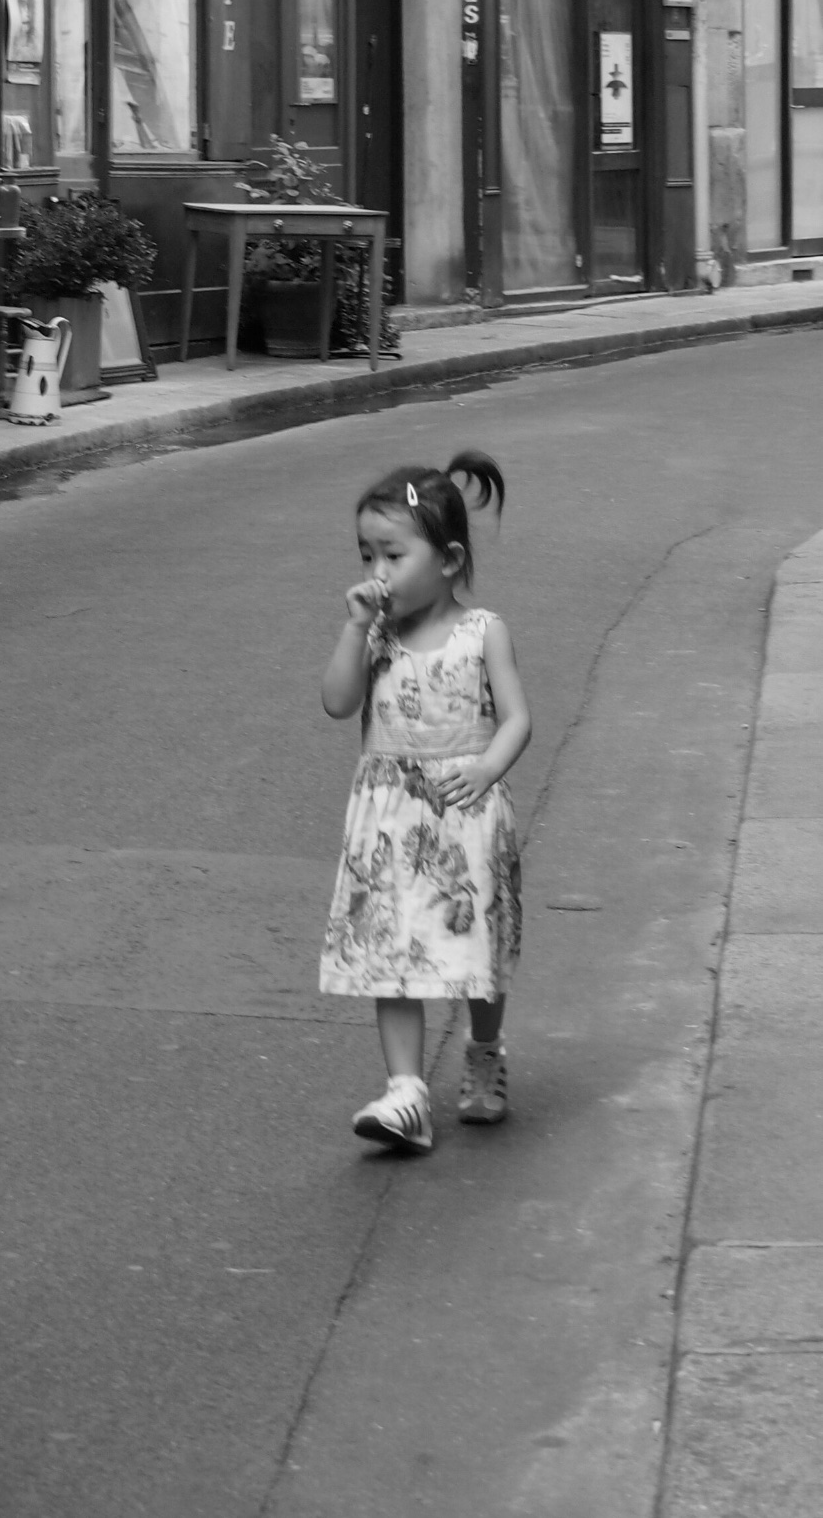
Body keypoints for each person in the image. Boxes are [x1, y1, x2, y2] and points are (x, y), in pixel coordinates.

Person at [317, 453, 531, 1152]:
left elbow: (517, 718)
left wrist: (489, 770)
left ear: (448, 560)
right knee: (390, 948)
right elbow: (337, 702)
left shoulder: (482, 631)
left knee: (478, 953)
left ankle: (484, 1050)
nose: (377, 571)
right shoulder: (376, 634)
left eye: (393, 554)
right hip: (389, 822)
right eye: (366, 554)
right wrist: (353, 629)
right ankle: (405, 1090)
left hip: (465, 813)